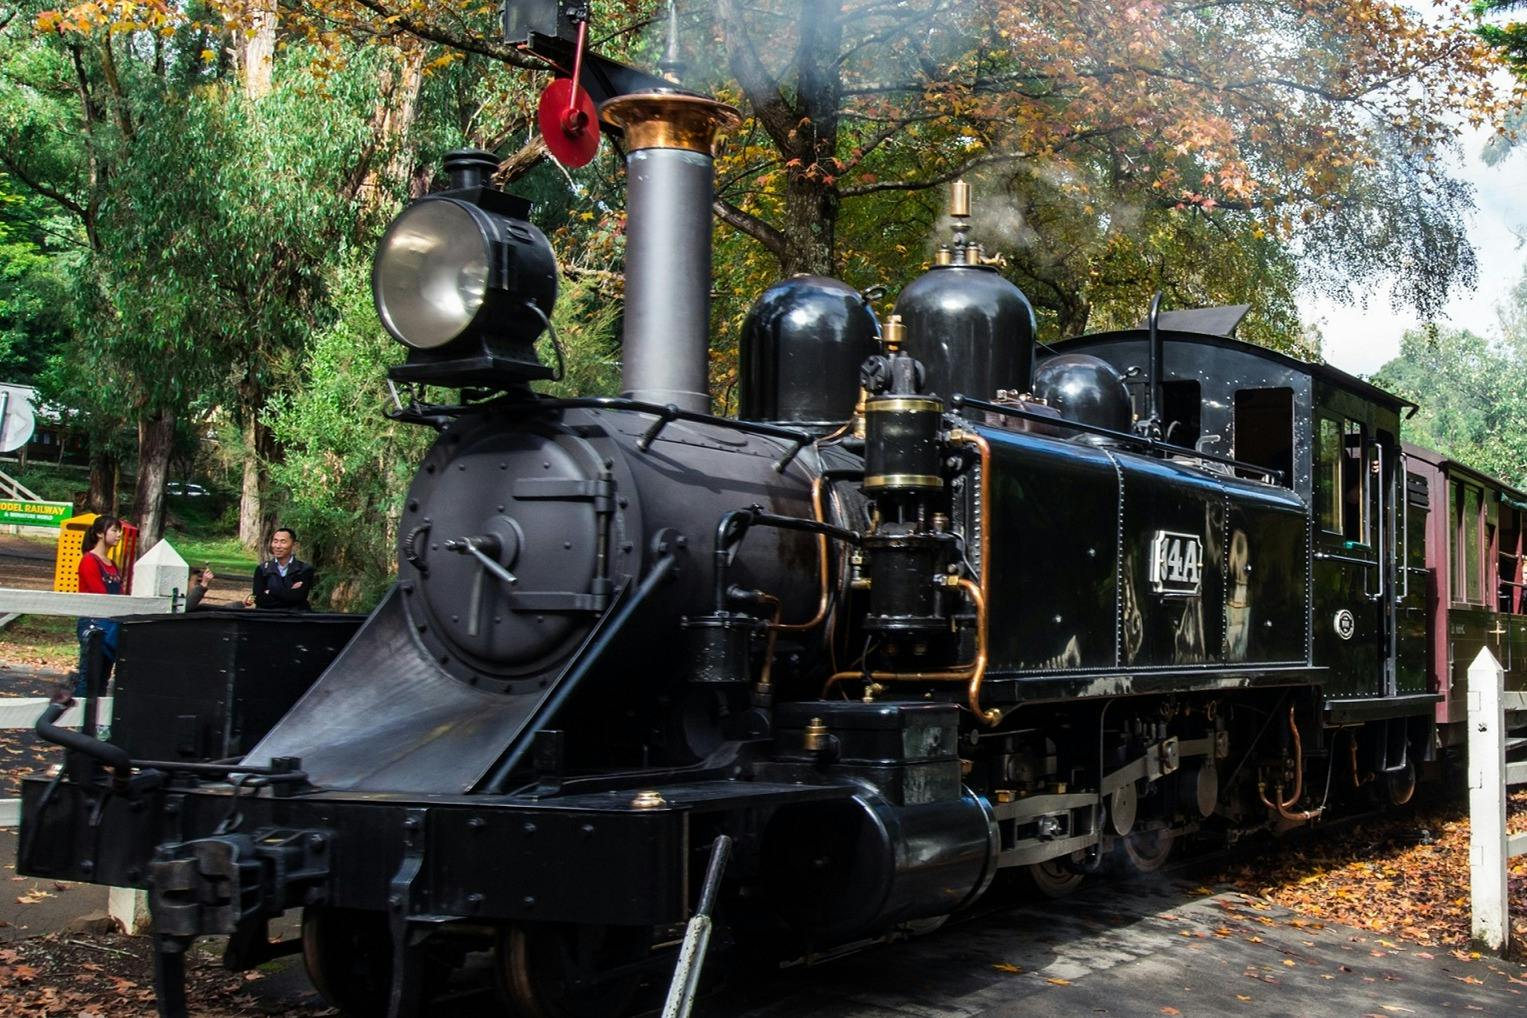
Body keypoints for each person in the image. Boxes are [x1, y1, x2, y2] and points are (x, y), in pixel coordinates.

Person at [75, 514, 124, 690]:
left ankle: (97, 716)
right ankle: (78, 716)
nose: (118, 535)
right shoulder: (89, 560)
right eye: (114, 530)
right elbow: (100, 594)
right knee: (88, 677)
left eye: (120, 531)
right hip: (93, 624)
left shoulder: (112, 564)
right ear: (100, 534)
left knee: (103, 677)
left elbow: (120, 593)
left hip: (110, 626)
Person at [247, 527, 315, 610]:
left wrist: (270, 591)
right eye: (275, 541)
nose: (278, 546)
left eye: (283, 542)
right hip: (267, 617)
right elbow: (258, 598)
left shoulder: (304, 570)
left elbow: (298, 598)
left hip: (295, 618)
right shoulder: (262, 569)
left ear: (294, 545)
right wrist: (288, 592)